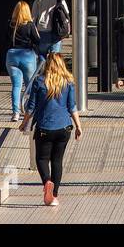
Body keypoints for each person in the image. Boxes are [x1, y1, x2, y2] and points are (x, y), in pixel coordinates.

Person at [20, 52, 83, 206]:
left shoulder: (39, 82)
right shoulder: (68, 82)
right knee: (57, 161)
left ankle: (47, 182)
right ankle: (54, 196)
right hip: (64, 127)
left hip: (44, 128)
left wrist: (24, 123)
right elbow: (72, 106)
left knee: (41, 159)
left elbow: (31, 107)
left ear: (47, 64)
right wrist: (78, 126)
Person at [7, 1, 41, 122]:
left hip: (12, 56)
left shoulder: (10, 24)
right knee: (30, 85)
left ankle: (15, 113)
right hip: (27, 56)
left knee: (16, 86)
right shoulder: (30, 25)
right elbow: (37, 40)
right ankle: (30, 110)